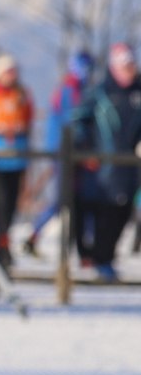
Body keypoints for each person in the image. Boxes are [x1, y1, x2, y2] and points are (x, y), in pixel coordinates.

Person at [71, 43, 141, 282]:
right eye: (125, 65)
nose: (130, 69)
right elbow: (79, 119)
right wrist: (86, 148)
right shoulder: (100, 92)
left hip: (132, 165)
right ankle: (100, 258)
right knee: (104, 210)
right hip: (104, 165)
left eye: (132, 64)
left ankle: (107, 258)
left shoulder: (138, 92)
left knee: (123, 211)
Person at [24, 49, 95, 258]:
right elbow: (70, 121)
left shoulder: (77, 88)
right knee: (63, 198)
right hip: (65, 151)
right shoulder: (70, 90)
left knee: (71, 198)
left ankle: (41, 237)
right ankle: (35, 235)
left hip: (68, 150)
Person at [0, 53, 34, 267]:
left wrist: (19, 129)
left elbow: (28, 118)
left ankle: (2, 244)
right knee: (0, 204)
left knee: (11, 205)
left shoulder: (21, 94)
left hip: (17, 156)